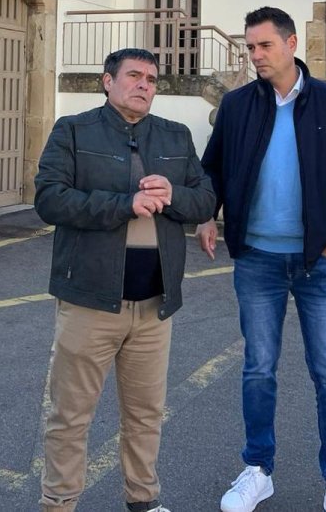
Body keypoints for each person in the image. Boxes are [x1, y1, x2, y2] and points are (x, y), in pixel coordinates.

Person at [198, 7, 326, 512]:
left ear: (291, 43)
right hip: (256, 260)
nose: (255, 56)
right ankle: (258, 470)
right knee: (258, 368)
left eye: (264, 46)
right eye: (250, 47)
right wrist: (206, 214)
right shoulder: (236, 106)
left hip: (318, 263)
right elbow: (212, 169)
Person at [34, 48, 216, 512]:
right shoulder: (73, 130)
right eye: (133, 76)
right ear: (107, 81)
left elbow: (204, 201)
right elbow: (51, 200)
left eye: (152, 79)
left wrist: (174, 194)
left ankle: (144, 500)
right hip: (90, 301)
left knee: (145, 414)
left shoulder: (175, 136)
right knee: (70, 417)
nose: (144, 85)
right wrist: (123, 204)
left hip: (154, 303)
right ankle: (59, 503)